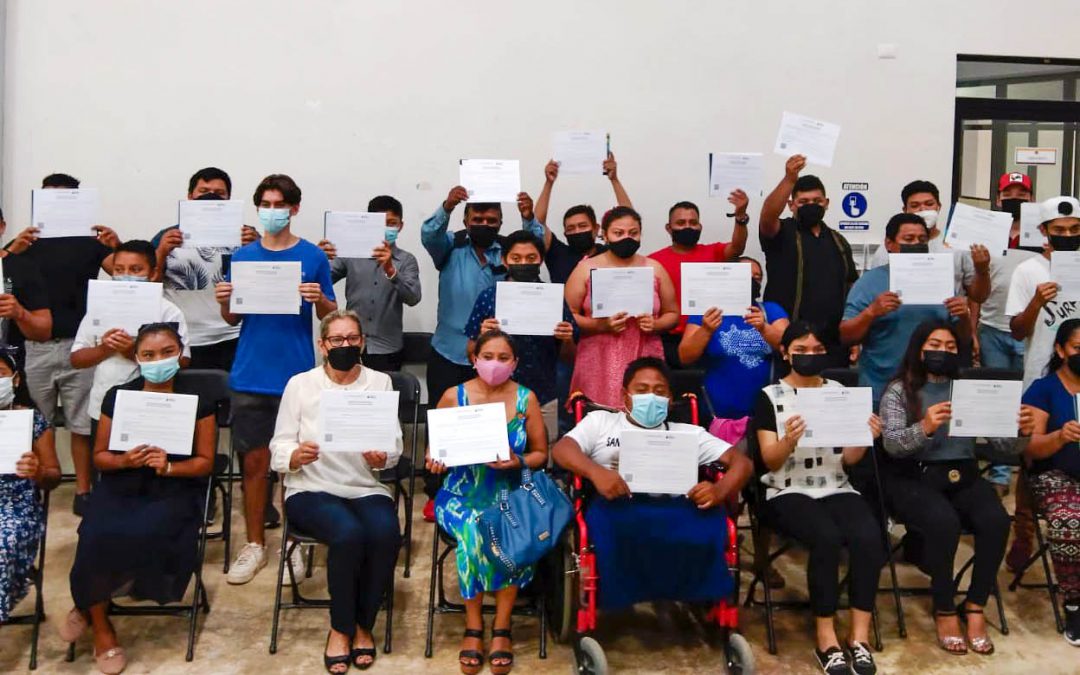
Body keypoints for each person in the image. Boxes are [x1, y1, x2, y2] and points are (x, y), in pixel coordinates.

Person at [57, 323, 216, 675]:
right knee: (95, 535)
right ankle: (101, 628)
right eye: (148, 355)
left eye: (166, 352)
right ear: (136, 358)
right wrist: (125, 460)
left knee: (148, 532)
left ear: (180, 353)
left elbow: (205, 463)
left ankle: (86, 602)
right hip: (121, 482)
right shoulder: (118, 396)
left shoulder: (199, 401)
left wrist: (170, 468)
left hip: (174, 486)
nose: (158, 360)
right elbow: (99, 456)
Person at [879, 320, 1033, 655]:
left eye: (950, 347)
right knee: (943, 522)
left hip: (962, 473)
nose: (942, 351)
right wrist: (925, 427)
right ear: (919, 349)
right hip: (913, 476)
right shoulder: (899, 390)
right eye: (934, 344)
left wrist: (1020, 431)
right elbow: (891, 444)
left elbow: (1005, 449)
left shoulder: (970, 388)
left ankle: (975, 605)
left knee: (995, 520)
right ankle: (945, 607)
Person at [552, 356, 751, 612]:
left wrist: (719, 490)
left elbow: (742, 463)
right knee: (608, 528)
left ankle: (699, 592)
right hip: (619, 505)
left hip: (677, 506)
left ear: (670, 400)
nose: (651, 397)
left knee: (712, 522)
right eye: (642, 390)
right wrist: (596, 472)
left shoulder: (688, 433)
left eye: (659, 391)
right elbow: (562, 449)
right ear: (625, 396)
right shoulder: (601, 422)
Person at [214, 174, 337, 585]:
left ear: (294, 209)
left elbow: (329, 316)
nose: (270, 211)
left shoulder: (312, 257)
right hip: (251, 374)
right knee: (253, 465)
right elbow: (233, 317)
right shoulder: (243, 256)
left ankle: (293, 544)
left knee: (296, 468)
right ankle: (254, 545)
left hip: (298, 376)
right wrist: (224, 303)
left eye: (277, 204)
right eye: (264, 204)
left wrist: (320, 298)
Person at [269, 310, 402, 671]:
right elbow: (278, 446)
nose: (346, 345)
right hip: (310, 487)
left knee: (386, 533)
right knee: (348, 534)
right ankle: (341, 628)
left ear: (362, 342)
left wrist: (381, 457)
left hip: (364, 486)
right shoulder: (301, 384)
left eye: (352, 339)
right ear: (322, 344)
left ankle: (364, 624)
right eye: (337, 340)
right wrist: (294, 455)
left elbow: (393, 446)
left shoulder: (379, 383)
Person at [752, 321, 886, 675]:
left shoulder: (839, 391)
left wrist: (864, 436)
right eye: (801, 350)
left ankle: (860, 636)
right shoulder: (769, 396)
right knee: (825, 538)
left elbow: (848, 460)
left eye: (817, 350)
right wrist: (789, 440)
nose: (810, 356)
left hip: (834, 482)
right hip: (786, 487)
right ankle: (825, 636)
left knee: (870, 536)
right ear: (785, 353)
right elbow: (770, 460)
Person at [426, 330, 548, 675]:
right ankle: (474, 625)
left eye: (504, 358)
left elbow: (541, 454)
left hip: (510, 490)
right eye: (488, 356)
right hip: (460, 493)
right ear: (474, 359)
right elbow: (434, 449)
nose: (495, 364)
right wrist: (434, 459)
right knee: (476, 526)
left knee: (506, 527)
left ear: (515, 363)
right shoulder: (454, 396)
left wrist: (519, 461)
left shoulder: (527, 400)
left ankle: (502, 628)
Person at [7, 173, 120, 515]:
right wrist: (12, 248)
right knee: (33, 423)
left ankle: (83, 490)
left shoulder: (91, 241)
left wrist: (115, 244)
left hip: (79, 343)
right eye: (48, 198)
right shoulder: (26, 243)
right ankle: (32, 486)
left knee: (80, 423)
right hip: (34, 346)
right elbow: (3, 272)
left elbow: (126, 274)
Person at [420, 186, 545, 405]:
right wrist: (448, 206)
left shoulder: (508, 252)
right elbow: (429, 234)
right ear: (466, 221)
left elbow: (535, 249)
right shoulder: (450, 246)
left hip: (495, 358)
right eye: (477, 219)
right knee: (442, 422)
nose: (484, 225)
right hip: (450, 352)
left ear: (500, 223)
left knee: (493, 425)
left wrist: (528, 217)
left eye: (491, 220)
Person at [840, 213, 973, 405]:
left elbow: (962, 338)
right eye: (908, 239)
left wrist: (964, 317)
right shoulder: (869, 282)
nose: (916, 244)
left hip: (932, 392)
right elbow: (845, 336)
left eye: (922, 239)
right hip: (880, 389)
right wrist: (871, 313)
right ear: (889, 244)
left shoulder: (941, 281)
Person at [71, 240, 191, 443]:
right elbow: (77, 359)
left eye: (136, 269)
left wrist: (131, 352)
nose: (126, 275)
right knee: (107, 463)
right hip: (104, 404)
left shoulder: (168, 310)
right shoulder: (99, 309)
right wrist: (106, 347)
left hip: (156, 405)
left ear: (152, 273)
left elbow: (183, 361)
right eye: (119, 269)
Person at [465, 230, 577, 442]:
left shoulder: (553, 299)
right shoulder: (489, 297)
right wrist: (481, 336)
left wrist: (567, 339)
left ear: (540, 260)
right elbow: (469, 353)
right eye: (516, 258)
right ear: (504, 261)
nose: (524, 263)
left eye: (531, 258)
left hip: (544, 393)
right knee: (496, 453)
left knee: (542, 458)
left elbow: (569, 358)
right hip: (494, 395)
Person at [565, 206, 678, 408]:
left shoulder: (654, 268)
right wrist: (600, 325)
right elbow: (568, 315)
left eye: (633, 233)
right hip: (598, 356)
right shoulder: (586, 268)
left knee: (644, 412)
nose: (627, 238)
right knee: (598, 419)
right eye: (618, 233)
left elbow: (672, 313)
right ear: (605, 236)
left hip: (644, 351)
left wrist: (656, 324)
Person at [150, 167, 259, 371]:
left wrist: (258, 247)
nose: (210, 197)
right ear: (190, 197)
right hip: (181, 337)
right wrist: (162, 251)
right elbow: (147, 285)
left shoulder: (246, 235)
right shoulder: (167, 236)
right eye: (203, 191)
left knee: (227, 398)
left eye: (219, 193)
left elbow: (264, 281)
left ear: (228, 199)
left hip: (233, 336)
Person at [758, 156, 857, 367]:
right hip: (790, 341)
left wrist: (854, 336)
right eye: (803, 202)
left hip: (832, 344)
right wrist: (789, 179)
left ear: (826, 204)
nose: (811, 206)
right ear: (791, 205)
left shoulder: (839, 241)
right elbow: (767, 216)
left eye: (817, 201)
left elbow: (851, 288)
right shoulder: (781, 232)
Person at [974, 173, 1038, 498]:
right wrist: (972, 332)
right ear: (998, 198)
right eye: (1008, 192)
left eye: (1022, 192)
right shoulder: (987, 233)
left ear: (1031, 197)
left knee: (1030, 401)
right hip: (992, 328)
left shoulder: (1041, 235)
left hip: (1031, 331)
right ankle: (999, 472)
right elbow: (971, 288)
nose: (1015, 196)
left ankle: (1031, 470)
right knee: (998, 400)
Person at [1019, 318, 1080, 645]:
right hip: (1054, 474)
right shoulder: (1043, 389)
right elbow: (1030, 449)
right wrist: (1060, 436)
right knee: (1070, 520)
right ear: (1060, 349)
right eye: (1078, 348)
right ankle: (1074, 601)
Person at [318, 195, 422, 373]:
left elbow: (413, 298)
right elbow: (321, 280)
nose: (386, 228)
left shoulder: (406, 260)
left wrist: (391, 270)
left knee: (385, 396)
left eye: (391, 223)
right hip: (350, 344)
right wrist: (318, 258)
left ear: (400, 226)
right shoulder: (350, 254)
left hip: (388, 348)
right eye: (380, 223)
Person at [678, 256, 789, 419]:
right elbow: (685, 356)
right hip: (716, 411)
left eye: (757, 277)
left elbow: (789, 345)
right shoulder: (706, 313)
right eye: (746, 275)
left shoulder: (770, 310)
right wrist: (706, 330)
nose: (752, 280)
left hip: (765, 410)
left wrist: (764, 328)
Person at [648, 197, 749, 365]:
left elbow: (737, 247)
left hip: (710, 335)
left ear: (700, 226)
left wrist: (740, 218)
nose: (687, 226)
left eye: (693, 222)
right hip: (669, 338)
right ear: (669, 228)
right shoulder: (653, 261)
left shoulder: (714, 252)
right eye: (681, 223)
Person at [0, 347, 59, 624]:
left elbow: (53, 477)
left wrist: (36, 472)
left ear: (15, 379)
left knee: (2, 543)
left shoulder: (32, 421)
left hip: (16, 509)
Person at [866, 180, 992, 307]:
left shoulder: (957, 247)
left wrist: (982, 271)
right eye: (915, 206)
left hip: (946, 322)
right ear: (905, 210)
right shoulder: (888, 249)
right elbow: (874, 291)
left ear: (939, 206)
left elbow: (978, 297)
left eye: (929, 204)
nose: (923, 209)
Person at [1006, 196, 1080, 391]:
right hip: (1040, 374)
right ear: (1043, 230)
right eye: (1059, 230)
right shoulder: (1027, 270)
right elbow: (1017, 333)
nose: (1067, 235)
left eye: (1074, 229)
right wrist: (1036, 303)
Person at [533, 154, 630, 284]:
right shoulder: (558, 254)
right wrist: (548, 183)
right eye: (571, 228)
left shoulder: (610, 252)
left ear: (596, 228)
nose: (577, 231)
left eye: (583, 226)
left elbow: (628, 220)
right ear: (565, 234)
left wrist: (614, 180)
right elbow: (537, 224)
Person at [0, 208, 52, 352]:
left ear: (2, 227)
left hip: (8, 365)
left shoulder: (23, 267)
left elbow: (44, 332)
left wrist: (20, 313)